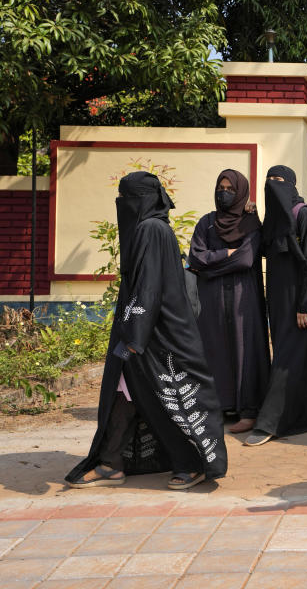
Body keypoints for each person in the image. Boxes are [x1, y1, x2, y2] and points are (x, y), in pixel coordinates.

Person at [66, 172, 227, 491]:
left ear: (140, 200)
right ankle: (111, 463)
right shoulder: (152, 227)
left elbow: (149, 288)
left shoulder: (151, 230)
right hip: (145, 330)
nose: (122, 204)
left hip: (159, 334)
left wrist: (135, 337)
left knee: (161, 399)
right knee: (126, 392)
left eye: (126, 198)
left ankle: (190, 463)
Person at [245, 165, 307, 447]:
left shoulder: (303, 215)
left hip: (302, 306)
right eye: (268, 180)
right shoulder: (273, 220)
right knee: (296, 361)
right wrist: (252, 219)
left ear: (292, 185)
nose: (273, 185)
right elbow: (260, 249)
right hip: (280, 303)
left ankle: (270, 422)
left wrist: (305, 305)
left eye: (279, 180)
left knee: (288, 361)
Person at [188, 170, 270, 434]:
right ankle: (218, 406)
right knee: (214, 349)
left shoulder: (250, 224)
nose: (224, 193)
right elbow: (195, 258)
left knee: (244, 349)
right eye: (220, 187)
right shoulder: (207, 223)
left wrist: (211, 266)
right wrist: (226, 254)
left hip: (242, 298)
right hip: (211, 300)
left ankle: (248, 410)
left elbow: (246, 259)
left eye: (230, 189)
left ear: (241, 192)